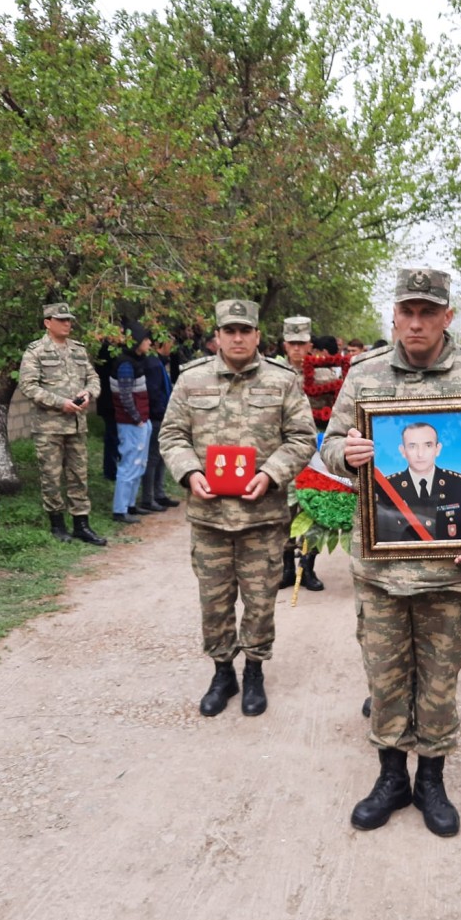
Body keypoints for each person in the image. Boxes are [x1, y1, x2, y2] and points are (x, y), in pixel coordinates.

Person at [322, 267, 461, 837]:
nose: (416, 323)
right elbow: (329, 447)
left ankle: (432, 779)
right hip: (382, 566)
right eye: (407, 312)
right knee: (385, 674)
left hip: (449, 566)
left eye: (428, 312)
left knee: (440, 677)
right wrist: (348, 454)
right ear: (394, 315)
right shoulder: (364, 375)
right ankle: (391, 776)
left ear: (447, 317)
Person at [159, 299, 316, 718]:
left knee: (261, 600)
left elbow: (302, 437)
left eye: (245, 330)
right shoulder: (191, 380)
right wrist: (191, 473)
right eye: (230, 331)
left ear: (258, 336)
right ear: (218, 336)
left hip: (262, 518)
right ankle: (222, 671)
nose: (238, 337)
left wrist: (270, 474)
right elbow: (172, 435)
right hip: (209, 518)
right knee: (214, 601)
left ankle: (255, 671)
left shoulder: (281, 381)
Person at [18, 302, 106, 545]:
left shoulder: (78, 350)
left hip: (77, 425)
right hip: (49, 427)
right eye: (61, 320)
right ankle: (57, 524)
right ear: (48, 323)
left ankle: (82, 525)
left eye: (69, 320)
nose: (67, 323)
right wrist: (60, 403)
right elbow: (28, 385)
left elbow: (93, 378)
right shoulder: (35, 351)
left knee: (79, 475)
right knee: (51, 476)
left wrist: (89, 394)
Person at [278, 315, 335, 591]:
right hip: (284, 452)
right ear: (284, 345)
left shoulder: (324, 375)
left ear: (310, 344)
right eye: (292, 343)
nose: (297, 349)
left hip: (315, 454)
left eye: (302, 343)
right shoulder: (273, 375)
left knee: (314, 507)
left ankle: (308, 567)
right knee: (286, 510)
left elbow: (336, 412)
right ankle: (287, 567)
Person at [372, 420, 461, 543]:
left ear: (438, 449)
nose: (420, 454)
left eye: (428, 445)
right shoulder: (386, 488)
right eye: (412, 446)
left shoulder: (460, 484)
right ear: (403, 451)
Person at [107, 323, 152, 524]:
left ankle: (130, 505)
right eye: (146, 339)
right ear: (138, 342)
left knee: (139, 464)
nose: (150, 343)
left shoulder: (135, 361)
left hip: (141, 421)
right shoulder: (125, 365)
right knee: (128, 464)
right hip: (132, 424)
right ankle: (120, 509)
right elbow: (125, 396)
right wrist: (137, 419)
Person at [137, 330, 178, 513]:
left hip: (162, 415)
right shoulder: (153, 364)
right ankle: (148, 497)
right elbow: (153, 393)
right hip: (156, 417)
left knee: (161, 457)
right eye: (169, 343)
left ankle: (159, 493)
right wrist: (162, 412)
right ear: (160, 344)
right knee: (153, 457)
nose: (172, 347)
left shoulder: (160, 363)